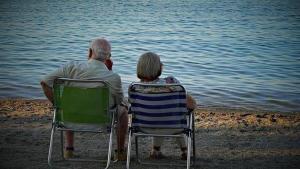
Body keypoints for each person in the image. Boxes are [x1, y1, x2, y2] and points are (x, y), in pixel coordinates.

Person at [40, 38, 128, 161]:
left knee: (69, 103)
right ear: (109, 57)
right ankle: (120, 152)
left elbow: (44, 82)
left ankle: (69, 150)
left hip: (70, 118)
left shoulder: (71, 67)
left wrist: (58, 105)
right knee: (122, 111)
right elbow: (119, 101)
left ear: (89, 51)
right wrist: (109, 71)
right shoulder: (113, 77)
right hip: (100, 121)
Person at [136, 52, 197, 160]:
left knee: (157, 114)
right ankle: (185, 151)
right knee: (175, 113)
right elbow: (192, 105)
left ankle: (155, 150)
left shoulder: (135, 88)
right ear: (158, 67)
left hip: (144, 127)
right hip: (173, 126)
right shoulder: (171, 82)